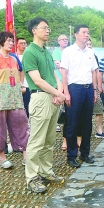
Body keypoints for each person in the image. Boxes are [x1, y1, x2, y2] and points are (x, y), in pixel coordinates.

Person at [23, 17, 65, 193]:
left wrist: (58, 92)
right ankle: (32, 178)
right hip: (40, 98)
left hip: (53, 98)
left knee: (49, 140)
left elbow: (56, 76)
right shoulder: (30, 52)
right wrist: (57, 93)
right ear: (34, 30)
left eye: (48, 28)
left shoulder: (47, 52)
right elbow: (37, 80)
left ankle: (46, 172)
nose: (47, 31)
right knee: (36, 141)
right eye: (44, 28)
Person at [0, 31, 29, 169]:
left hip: (16, 101)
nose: (11, 43)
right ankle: (2, 158)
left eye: (11, 40)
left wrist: (20, 85)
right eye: (8, 40)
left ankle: (26, 156)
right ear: (0, 42)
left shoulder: (14, 59)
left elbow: (20, 72)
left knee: (22, 127)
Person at [61, 24, 98, 168]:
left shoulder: (90, 52)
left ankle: (85, 152)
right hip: (74, 89)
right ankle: (71, 155)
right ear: (76, 34)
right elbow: (64, 73)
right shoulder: (68, 52)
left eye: (88, 32)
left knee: (87, 123)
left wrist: (95, 90)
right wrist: (66, 92)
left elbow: (94, 72)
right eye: (84, 32)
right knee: (72, 123)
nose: (86, 35)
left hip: (88, 89)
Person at [86, 39, 104, 138]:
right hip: (83, 87)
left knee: (99, 109)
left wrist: (99, 86)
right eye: (87, 44)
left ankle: (99, 131)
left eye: (90, 44)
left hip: (94, 87)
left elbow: (98, 72)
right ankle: (83, 133)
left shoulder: (94, 56)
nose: (89, 46)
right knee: (85, 111)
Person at [52, 35, 69, 145]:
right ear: (58, 42)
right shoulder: (56, 52)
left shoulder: (70, 51)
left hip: (68, 81)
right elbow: (58, 65)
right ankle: (56, 122)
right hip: (59, 81)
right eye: (63, 39)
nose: (65, 41)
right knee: (57, 103)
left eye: (66, 39)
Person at [17, 37, 30, 118]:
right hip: (18, 86)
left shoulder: (28, 56)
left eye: (25, 43)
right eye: (21, 43)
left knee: (27, 108)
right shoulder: (14, 56)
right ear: (17, 45)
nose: (23, 45)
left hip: (28, 85)